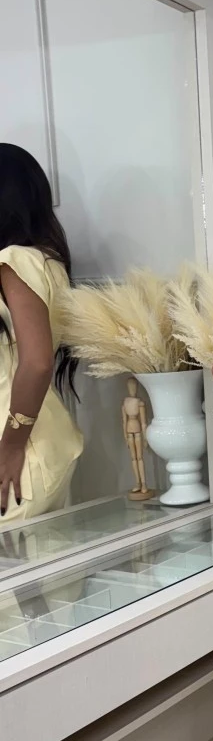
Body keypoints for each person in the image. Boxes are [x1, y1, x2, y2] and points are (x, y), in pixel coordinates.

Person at [0, 143, 83, 523]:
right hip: (39, 440)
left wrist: (11, 445)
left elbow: (36, 363)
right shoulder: (46, 261)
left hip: (18, 451)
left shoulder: (13, 261)